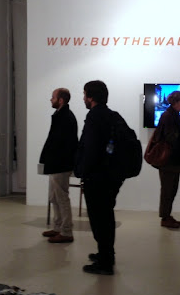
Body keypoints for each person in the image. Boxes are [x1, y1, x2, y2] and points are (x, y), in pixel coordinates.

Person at [74, 80, 123, 275]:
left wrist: (81, 171)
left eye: (84, 94)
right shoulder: (111, 115)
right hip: (111, 176)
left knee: (99, 219)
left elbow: (91, 149)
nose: (83, 98)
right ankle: (106, 254)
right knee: (105, 217)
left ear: (91, 97)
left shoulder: (94, 117)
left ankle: (105, 262)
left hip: (98, 178)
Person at [40, 88, 79, 243]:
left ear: (60, 100)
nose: (51, 100)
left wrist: (53, 159)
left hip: (60, 164)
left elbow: (63, 143)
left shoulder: (66, 117)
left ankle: (66, 231)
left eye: (53, 97)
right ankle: (57, 227)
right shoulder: (60, 115)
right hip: (55, 163)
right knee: (54, 197)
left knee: (61, 197)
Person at [156, 91, 180, 229]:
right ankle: (165, 217)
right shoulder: (169, 116)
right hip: (169, 161)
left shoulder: (172, 115)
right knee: (168, 191)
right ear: (176, 101)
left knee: (171, 190)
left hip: (172, 161)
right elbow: (171, 137)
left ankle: (167, 216)